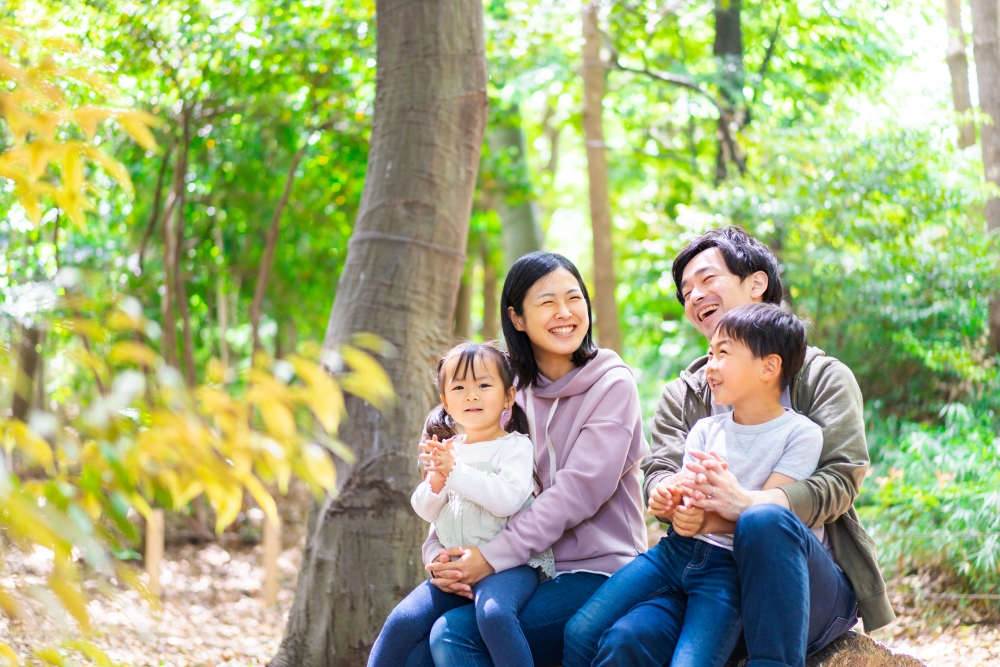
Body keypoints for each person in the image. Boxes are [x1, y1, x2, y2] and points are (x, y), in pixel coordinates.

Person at [609, 226, 892, 667]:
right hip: (702, 572)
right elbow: (659, 469)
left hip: (804, 580)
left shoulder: (822, 378)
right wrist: (667, 495)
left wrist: (749, 503)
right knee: (626, 639)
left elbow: (841, 478)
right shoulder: (681, 394)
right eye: (685, 291)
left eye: (707, 279)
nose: (694, 296)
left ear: (756, 284)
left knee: (763, 521)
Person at [405, 251, 648, 667]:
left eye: (574, 299)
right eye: (547, 302)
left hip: (593, 570)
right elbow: (456, 482)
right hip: (516, 570)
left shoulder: (612, 385)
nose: (565, 313)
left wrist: (490, 558)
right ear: (516, 318)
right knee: (413, 655)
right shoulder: (500, 389)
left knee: (454, 637)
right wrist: (439, 558)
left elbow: (576, 494)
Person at [564, 303, 824, 667]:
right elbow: (687, 503)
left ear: (769, 367)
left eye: (723, 354)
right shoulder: (705, 430)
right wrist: (669, 499)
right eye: (709, 353)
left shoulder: (801, 435)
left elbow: (765, 521)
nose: (710, 366)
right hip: (673, 554)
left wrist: (707, 518)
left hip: (728, 569)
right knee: (580, 630)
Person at [368, 342, 554, 667]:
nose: (471, 395)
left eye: (483, 385)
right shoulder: (449, 448)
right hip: (456, 570)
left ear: (508, 397)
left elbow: (506, 500)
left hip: (510, 566)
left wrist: (453, 471)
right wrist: (437, 481)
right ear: (446, 402)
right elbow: (426, 510)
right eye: (459, 387)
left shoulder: (514, 447)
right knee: (402, 621)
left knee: (494, 614)